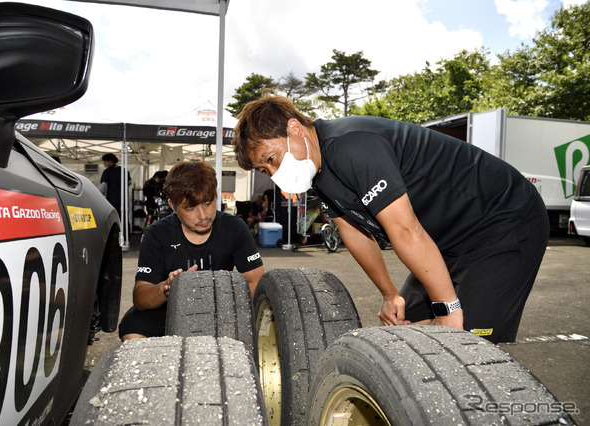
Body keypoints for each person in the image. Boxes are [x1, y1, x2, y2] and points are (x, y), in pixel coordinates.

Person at [232, 96, 549, 344]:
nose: (274, 175)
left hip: (504, 221)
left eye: (271, 160)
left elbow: (405, 229)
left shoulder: (351, 145)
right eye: (264, 170)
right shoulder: (321, 174)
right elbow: (355, 234)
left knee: (468, 341)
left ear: (294, 129)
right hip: (448, 242)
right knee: (404, 332)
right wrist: (388, 293)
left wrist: (447, 310)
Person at [118, 160, 264, 340]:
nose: (203, 216)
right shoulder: (156, 234)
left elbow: (255, 284)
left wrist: (214, 296)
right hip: (170, 310)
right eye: (190, 208)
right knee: (132, 326)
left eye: (208, 203)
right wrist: (165, 289)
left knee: (258, 328)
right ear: (173, 206)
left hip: (221, 310)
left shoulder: (235, 228)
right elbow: (140, 297)